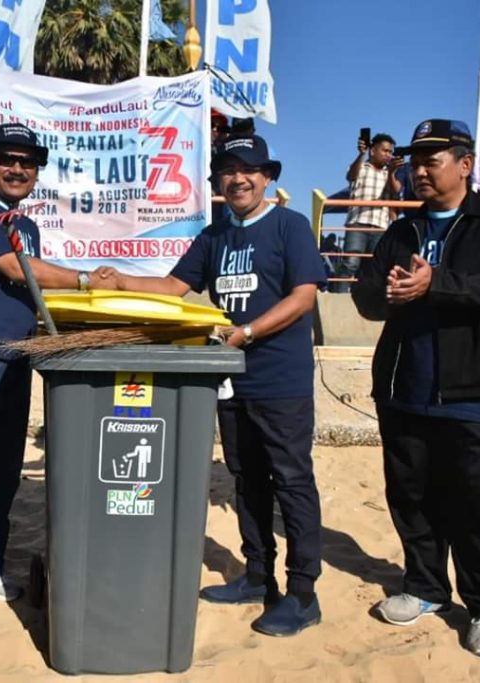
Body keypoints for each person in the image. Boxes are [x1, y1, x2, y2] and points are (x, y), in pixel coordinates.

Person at [113, 135, 327, 637]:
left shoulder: (289, 227)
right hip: (230, 382)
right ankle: (257, 576)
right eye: (228, 171)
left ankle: (303, 594)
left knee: (292, 481)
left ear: (267, 177)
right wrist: (120, 281)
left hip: (281, 380)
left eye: (248, 169)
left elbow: (303, 296)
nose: (238, 179)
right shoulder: (214, 236)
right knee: (247, 478)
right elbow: (173, 287)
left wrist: (248, 333)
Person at [351, 119, 480, 661]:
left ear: (466, 164)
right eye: (415, 160)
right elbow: (365, 297)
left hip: (476, 391)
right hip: (404, 389)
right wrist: (387, 294)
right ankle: (426, 586)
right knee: (412, 496)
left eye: (433, 160)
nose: (420, 170)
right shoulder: (401, 231)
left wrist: (438, 284)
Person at [0, 122, 117, 636]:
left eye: (28, 162)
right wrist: (85, 278)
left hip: (17, 358)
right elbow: (19, 271)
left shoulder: (24, 221)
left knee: (3, 471)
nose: (17, 169)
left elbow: (31, 287)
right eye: (7, 159)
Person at [335, 132, 402, 291]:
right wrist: (361, 154)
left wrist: (392, 172)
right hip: (358, 223)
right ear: (373, 151)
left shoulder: (389, 173)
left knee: (376, 267)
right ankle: (340, 298)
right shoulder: (361, 167)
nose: (389, 155)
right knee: (351, 263)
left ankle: (370, 300)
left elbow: (396, 190)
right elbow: (350, 176)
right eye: (385, 151)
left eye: (391, 152)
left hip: (380, 225)